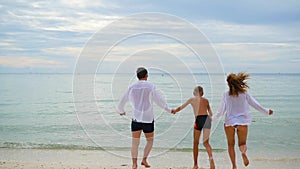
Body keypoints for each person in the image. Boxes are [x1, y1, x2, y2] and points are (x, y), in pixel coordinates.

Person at [213, 72, 273, 169]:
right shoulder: (244, 94)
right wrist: (266, 111)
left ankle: (234, 166)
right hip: (243, 122)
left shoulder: (226, 95)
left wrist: (210, 119)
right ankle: (243, 153)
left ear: (228, 84)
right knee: (242, 144)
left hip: (229, 123)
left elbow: (220, 112)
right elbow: (255, 104)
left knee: (230, 145)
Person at [118, 67, 173, 169]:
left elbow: (122, 100)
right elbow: (160, 101)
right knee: (150, 141)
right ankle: (144, 159)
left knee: (135, 143)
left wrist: (121, 111)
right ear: (146, 76)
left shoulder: (132, 87)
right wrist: (169, 110)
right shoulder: (151, 86)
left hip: (136, 119)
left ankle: (134, 164)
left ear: (137, 76)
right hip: (148, 119)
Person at [172, 86, 215, 169]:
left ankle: (195, 164)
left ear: (194, 93)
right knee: (206, 143)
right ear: (202, 93)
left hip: (198, 119)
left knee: (196, 143)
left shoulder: (192, 99)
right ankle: (211, 157)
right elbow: (211, 113)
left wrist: (174, 111)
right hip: (207, 119)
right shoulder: (206, 100)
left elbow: (181, 107)